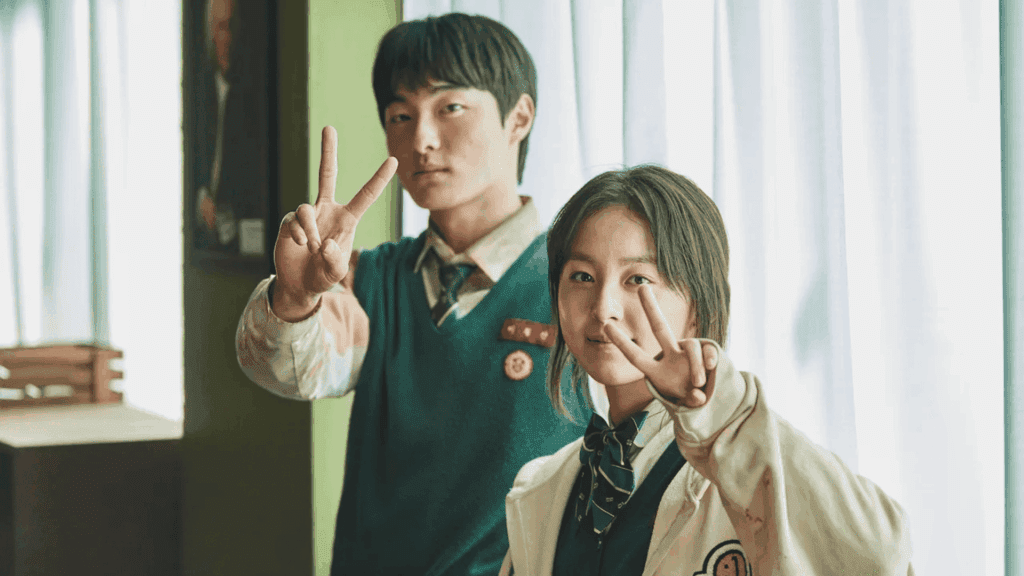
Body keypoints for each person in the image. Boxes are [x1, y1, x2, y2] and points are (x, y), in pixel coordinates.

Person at [235, 13, 587, 575]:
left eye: (451, 108)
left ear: (519, 117)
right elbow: (287, 370)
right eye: (400, 115)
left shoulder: (582, 286)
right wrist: (296, 298)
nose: (422, 139)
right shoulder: (370, 279)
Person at [499, 166, 914, 575]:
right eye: (583, 276)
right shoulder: (541, 490)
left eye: (638, 279)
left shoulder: (744, 464)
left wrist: (720, 416)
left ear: (697, 307)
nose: (603, 307)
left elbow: (879, 556)